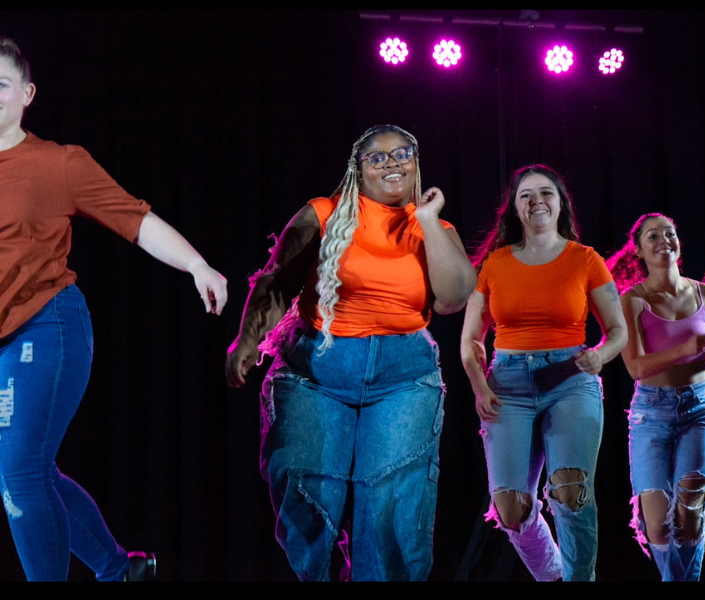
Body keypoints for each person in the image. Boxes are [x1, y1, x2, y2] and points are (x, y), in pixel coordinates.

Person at [0, 38, 228, 581]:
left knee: (20, 472)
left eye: (0, 86)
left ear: (25, 94)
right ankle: (121, 570)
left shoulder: (57, 164)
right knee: (30, 471)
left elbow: (136, 219)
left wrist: (198, 265)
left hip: (49, 321)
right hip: (6, 336)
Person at [225, 124, 476, 581]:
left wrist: (426, 220)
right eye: (377, 157)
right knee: (306, 495)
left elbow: (454, 297)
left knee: (390, 506)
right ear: (357, 170)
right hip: (317, 372)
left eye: (402, 153)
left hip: (403, 379)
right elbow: (277, 279)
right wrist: (247, 339)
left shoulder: (435, 227)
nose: (392, 162)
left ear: (416, 163)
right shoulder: (323, 213)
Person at [459, 165, 627, 581]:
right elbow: (471, 340)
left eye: (546, 193)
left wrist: (601, 355)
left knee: (570, 492)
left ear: (560, 203)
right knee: (511, 508)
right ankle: (554, 576)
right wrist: (479, 387)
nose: (537, 201)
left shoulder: (585, 259)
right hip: (508, 382)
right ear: (514, 208)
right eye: (526, 195)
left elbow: (618, 330)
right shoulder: (495, 264)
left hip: (570, 377)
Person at [607, 213, 705, 581]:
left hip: (702, 409)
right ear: (640, 250)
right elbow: (635, 367)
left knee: (691, 514)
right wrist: (687, 348)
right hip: (652, 412)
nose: (664, 240)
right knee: (660, 529)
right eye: (653, 236)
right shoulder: (632, 299)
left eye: (670, 234)